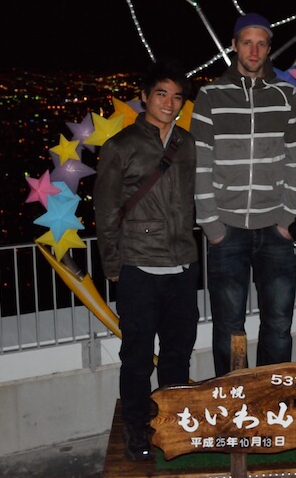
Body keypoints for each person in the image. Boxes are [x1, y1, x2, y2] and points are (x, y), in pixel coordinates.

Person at [190, 13, 296, 377]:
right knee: (228, 327)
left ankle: (271, 401)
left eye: (261, 43)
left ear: (269, 48)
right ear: (234, 46)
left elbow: (294, 161)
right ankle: (233, 399)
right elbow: (201, 165)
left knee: (278, 324)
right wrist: (211, 225)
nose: (254, 50)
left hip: (276, 229)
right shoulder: (210, 97)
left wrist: (288, 220)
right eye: (246, 42)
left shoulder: (286, 96)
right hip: (227, 229)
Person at [94, 59, 199, 462]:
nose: (169, 103)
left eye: (176, 96)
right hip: (138, 264)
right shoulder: (120, 146)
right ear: (144, 96)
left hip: (183, 265)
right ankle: (136, 428)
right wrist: (113, 266)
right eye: (161, 94)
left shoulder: (186, 144)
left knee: (178, 352)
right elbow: (105, 211)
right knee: (136, 357)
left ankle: (171, 424)